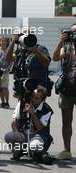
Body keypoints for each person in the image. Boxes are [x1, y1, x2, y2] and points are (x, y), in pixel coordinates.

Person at [4, 86, 53, 165]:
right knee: (8, 137)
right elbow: (14, 121)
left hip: (38, 135)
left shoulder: (47, 109)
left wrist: (32, 113)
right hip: (24, 134)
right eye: (32, 97)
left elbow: (40, 127)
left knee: (34, 145)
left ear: (42, 100)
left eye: (37, 98)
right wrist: (16, 131)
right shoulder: (22, 103)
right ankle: (24, 151)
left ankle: (39, 153)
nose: (33, 99)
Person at [52, 23, 76, 160]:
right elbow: (55, 57)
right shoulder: (65, 46)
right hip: (67, 88)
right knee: (66, 121)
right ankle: (67, 150)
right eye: (71, 32)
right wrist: (60, 40)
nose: (73, 34)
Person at [5, 32, 53, 98]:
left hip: (37, 87)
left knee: (35, 107)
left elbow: (46, 63)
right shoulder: (20, 51)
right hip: (23, 86)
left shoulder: (40, 48)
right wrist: (12, 43)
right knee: (23, 107)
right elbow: (8, 58)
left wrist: (35, 51)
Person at [0, 36, 11, 109]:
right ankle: (2, 102)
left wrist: (7, 69)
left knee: (5, 87)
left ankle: (7, 102)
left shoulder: (9, 50)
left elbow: (11, 61)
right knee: (0, 88)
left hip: (5, 72)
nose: (3, 42)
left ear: (7, 42)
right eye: (1, 41)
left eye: (4, 41)